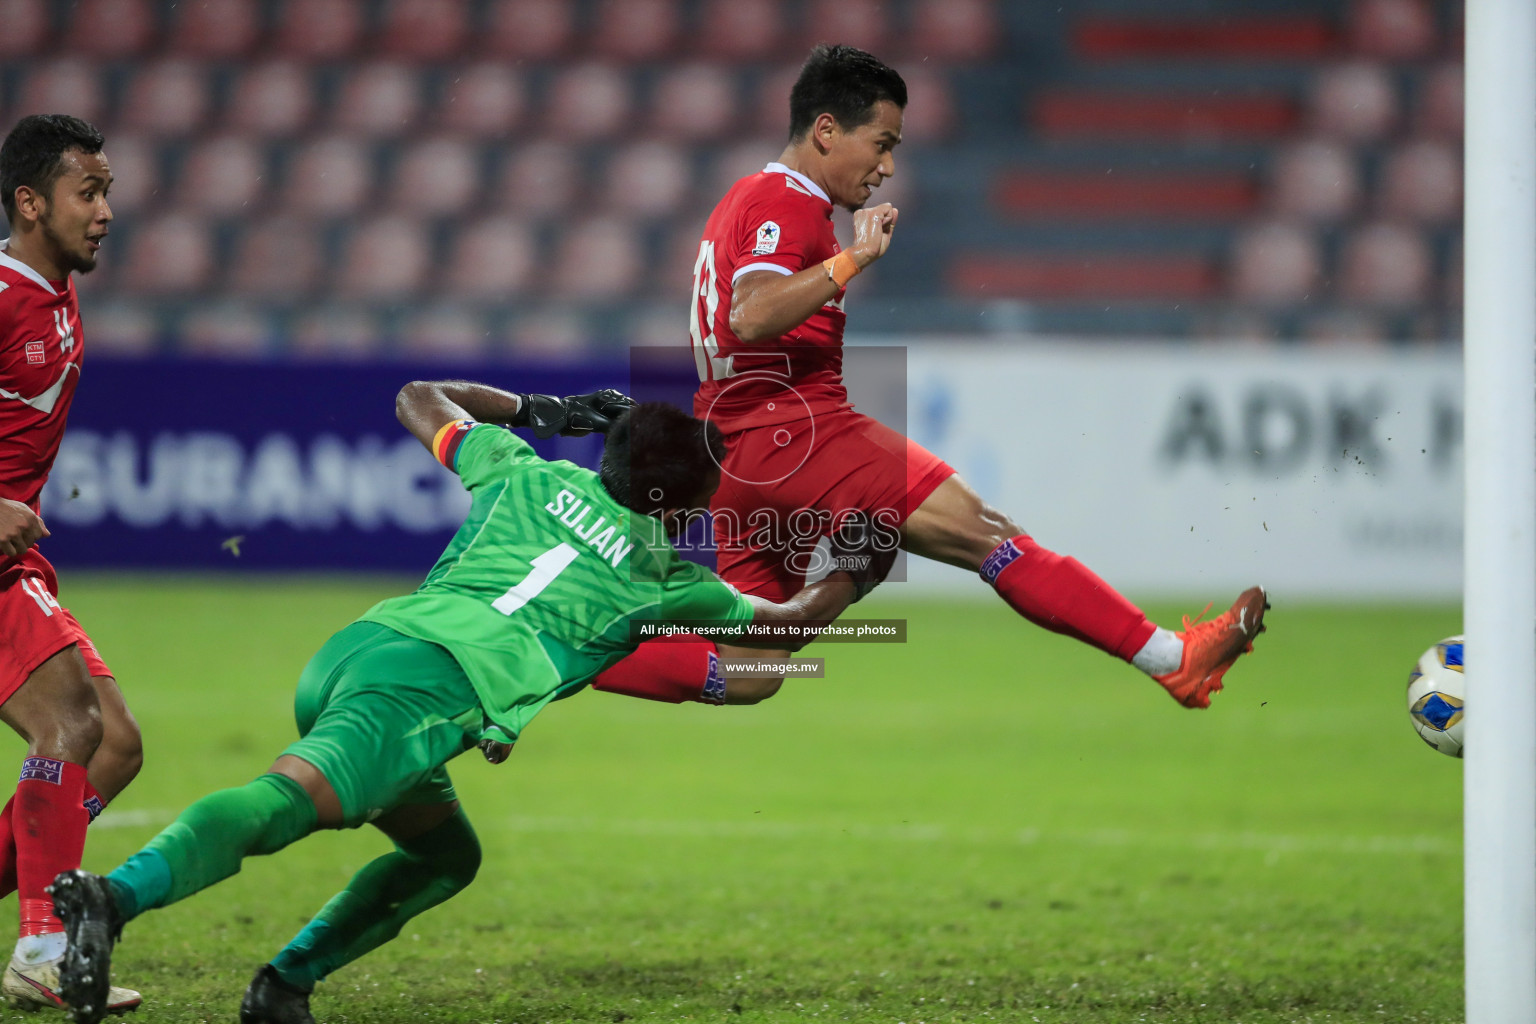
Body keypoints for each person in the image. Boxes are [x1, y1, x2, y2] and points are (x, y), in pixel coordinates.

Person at [50, 379, 890, 1024]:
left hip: (362, 650)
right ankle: (114, 898)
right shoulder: (662, 582)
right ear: (680, 503)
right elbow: (784, 633)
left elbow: (419, 396)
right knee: (290, 799)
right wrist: (856, 567)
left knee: (445, 856)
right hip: (429, 691)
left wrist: (543, 408)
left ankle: (283, 986)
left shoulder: (522, 470)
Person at [592, 44, 1267, 712]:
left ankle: (569, 647)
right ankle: (1173, 661)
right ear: (826, 130)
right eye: (881, 143)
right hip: (799, 430)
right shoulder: (784, 202)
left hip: (736, 457)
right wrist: (852, 259)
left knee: (753, 667)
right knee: (986, 534)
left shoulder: (743, 201)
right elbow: (751, 314)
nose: (887, 166)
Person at [0, 114, 143, 1015]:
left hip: (17, 562)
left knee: (115, 746)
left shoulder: (53, 290)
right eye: (87, 193)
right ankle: (44, 945)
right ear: (29, 202)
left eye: (107, 194)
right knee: (76, 725)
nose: (104, 212)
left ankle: (37, 926)